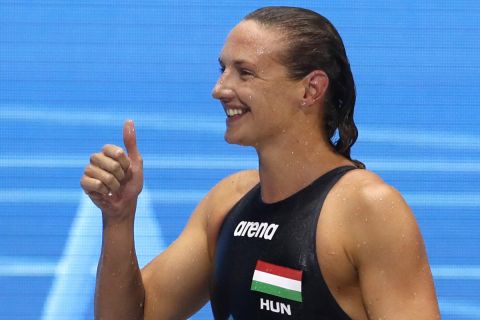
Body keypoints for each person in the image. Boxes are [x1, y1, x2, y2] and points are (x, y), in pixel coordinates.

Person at [80, 6, 440, 320]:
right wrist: (119, 219)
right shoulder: (227, 201)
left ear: (310, 90)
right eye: (222, 69)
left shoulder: (368, 209)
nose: (220, 89)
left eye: (245, 72)